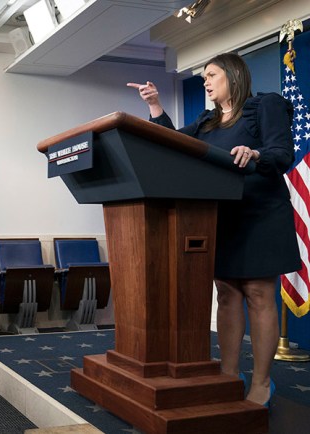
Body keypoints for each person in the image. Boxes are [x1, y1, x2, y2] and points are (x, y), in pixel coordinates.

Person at [128, 52, 301, 406]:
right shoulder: (207, 121)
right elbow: (173, 145)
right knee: (227, 294)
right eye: (204, 77)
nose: (205, 82)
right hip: (221, 215)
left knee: (258, 294)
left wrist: (255, 155)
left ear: (233, 75)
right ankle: (228, 375)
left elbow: (283, 152)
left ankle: (262, 382)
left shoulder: (264, 106)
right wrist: (156, 105)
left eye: (211, 75)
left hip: (260, 214)